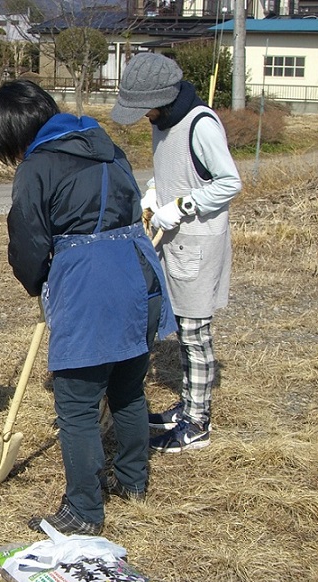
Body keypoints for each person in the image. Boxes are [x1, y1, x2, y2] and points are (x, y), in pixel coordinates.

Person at [0, 80, 176, 536]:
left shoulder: (37, 166)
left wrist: (36, 280)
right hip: (138, 275)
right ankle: (132, 481)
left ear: (14, 134)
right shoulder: (107, 147)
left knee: (77, 403)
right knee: (128, 389)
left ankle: (84, 510)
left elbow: (28, 240)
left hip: (91, 285)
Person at [111, 53, 242, 453]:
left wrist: (182, 205)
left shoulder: (200, 124)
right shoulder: (162, 122)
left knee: (194, 333)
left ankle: (197, 424)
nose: (141, 115)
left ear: (163, 97)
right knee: (181, 327)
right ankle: (187, 405)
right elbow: (177, 171)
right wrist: (155, 192)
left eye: (143, 106)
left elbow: (229, 183)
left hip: (198, 242)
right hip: (173, 238)